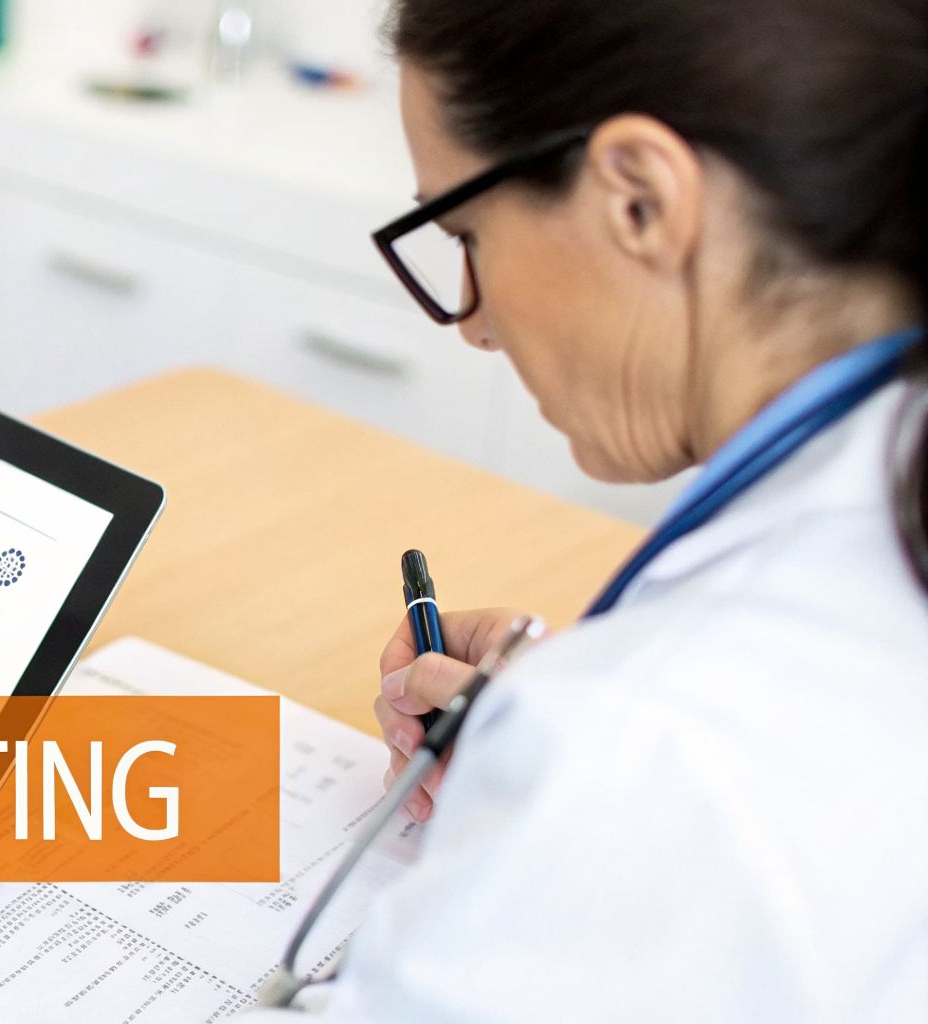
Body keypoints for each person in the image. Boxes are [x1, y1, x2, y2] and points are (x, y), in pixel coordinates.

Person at [244, 0, 927, 1019]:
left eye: (468, 234)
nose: (473, 327)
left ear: (640, 201)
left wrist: (574, 760)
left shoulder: (640, 746)